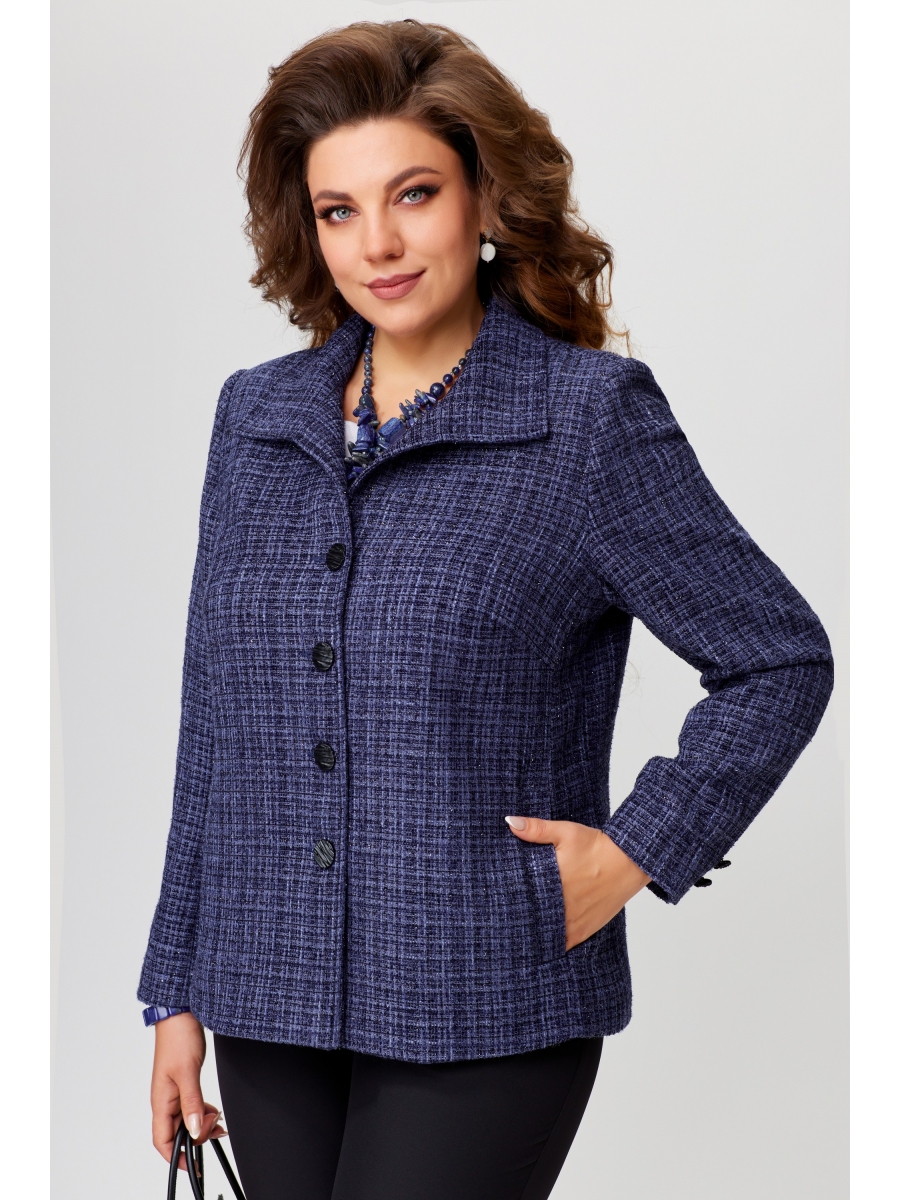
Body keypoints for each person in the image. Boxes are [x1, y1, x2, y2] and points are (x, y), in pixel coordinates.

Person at [138, 19, 833, 1200]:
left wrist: (636, 850)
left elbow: (778, 660)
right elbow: (217, 725)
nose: (379, 243)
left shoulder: (587, 420)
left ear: (484, 198)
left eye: (413, 193)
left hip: (484, 993)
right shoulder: (255, 418)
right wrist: (175, 990)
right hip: (264, 996)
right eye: (339, 210)